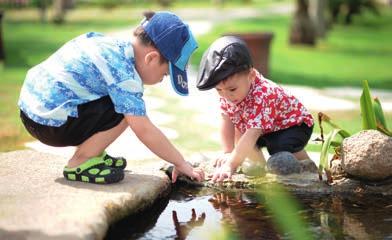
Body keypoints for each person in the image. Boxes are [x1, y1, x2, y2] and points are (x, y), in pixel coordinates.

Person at [18, 11, 205, 184]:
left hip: (31, 111)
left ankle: (94, 151)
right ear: (151, 58)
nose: (162, 80)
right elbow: (144, 130)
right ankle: (81, 161)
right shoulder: (124, 75)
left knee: (122, 103)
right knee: (128, 111)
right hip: (49, 124)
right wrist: (180, 162)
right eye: (165, 75)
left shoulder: (110, 46)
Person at [196, 36, 314, 182]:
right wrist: (228, 152)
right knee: (241, 135)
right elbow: (227, 119)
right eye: (219, 90)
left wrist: (230, 166)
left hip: (294, 125)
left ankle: (307, 166)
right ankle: (261, 170)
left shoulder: (263, 94)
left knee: (277, 147)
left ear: (251, 75)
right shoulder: (229, 93)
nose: (226, 96)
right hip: (267, 128)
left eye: (232, 89)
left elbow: (252, 134)